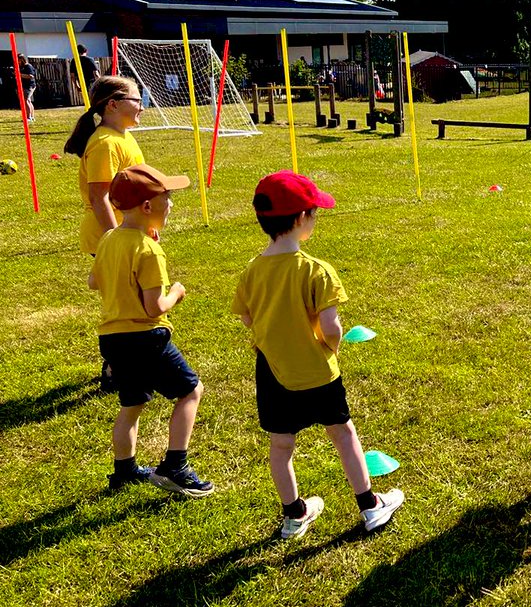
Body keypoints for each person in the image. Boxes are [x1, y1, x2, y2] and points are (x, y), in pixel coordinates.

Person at [232, 171, 405, 539]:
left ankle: (294, 515)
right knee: (343, 433)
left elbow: (247, 317)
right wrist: (332, 347)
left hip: (272, 371)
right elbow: (331, 327)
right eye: (314, 212)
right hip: (317, 369)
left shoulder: (251, 271)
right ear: (300, 219)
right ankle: (370, 506)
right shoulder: (317, 271)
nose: (315, 218)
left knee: (281, 445)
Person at [89, 164, 214, 497]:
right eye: (167, 197)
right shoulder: (148, 250)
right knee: (191, 391)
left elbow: (93, 281)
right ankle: (176, 466)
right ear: (147, 206)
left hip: (112, 339)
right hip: (146, 338)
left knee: (131, 405)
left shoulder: (109, 239)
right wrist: (177, 292)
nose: (170, 203)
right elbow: (154, 307)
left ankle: (124, 471)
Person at [65, 77, 147, 390]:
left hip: (130, 232)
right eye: (137, 100)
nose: (142, 106)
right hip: (109, 235)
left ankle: (130, 362)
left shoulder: (123, 137)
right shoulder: (105, 143)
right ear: (113, 104)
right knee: (125, 304)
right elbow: (99, 197)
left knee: (137, 298)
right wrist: (117, 239)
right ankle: (115, 369)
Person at [17, 54, 35, 122]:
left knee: (26, 100)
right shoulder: (21, 67)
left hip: (29, 86)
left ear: (22, 59)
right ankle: (32, 117)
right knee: (28, 101)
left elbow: (31, 76)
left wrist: (20, 75)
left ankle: (29, 117)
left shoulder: (28, 66)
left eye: (18, 60)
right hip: (24, 86)